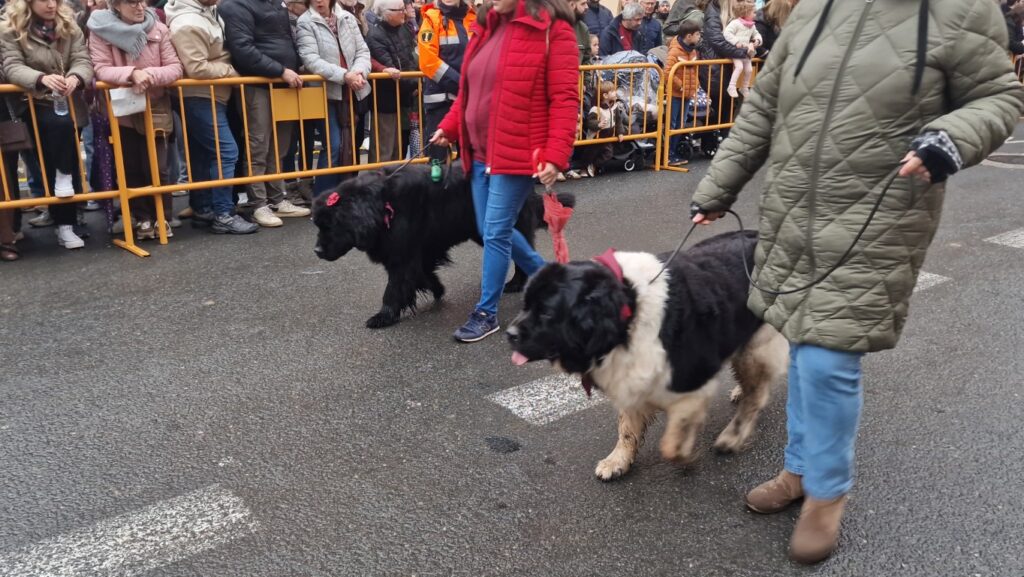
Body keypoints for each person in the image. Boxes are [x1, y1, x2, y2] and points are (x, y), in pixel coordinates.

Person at [689, 0, 1024, 564]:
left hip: (881, 214)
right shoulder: (816, 8)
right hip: (793, 213)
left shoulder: (958, 10)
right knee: (801, 342)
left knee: (828, 355)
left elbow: (999, 96)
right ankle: (799, 468)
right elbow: (764, 106)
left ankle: (827, 491)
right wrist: (717, 188)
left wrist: (950, 136)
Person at [429, 0, 578, 342]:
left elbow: (565, 97)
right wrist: (450, 128)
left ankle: (486, 313)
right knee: (489, 228)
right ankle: (553, 280)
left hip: (516, 152)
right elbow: (469, 90)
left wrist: (556, 155)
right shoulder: (488, 24)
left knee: (494, 232)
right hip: (480, 151)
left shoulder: (555, 30)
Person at [0, 0, 94, 250]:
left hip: (66, 103)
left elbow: (82, 58)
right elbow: (12, 66)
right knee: (41, 162)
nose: (51, 4)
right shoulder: (10, 28)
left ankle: (67, 225)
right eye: (44, 0)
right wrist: (41, 79)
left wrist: (76, 77)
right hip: (29, 104)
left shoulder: (69, 23)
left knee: (67, 160)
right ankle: (23, 225)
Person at [88, 0, 183, 240]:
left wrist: (148, 75)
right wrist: (131, 75)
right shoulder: (99, 29)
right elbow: (100, 68)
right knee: (131, 167)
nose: (140, 7)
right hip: (123, 106)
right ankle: (142, 219)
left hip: (155, 105)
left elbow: (175, 67)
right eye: (132, 2)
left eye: (142, 1)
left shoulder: (158, 28)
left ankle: (163, 216)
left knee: (158, 167)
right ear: (116, 6)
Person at [165, 0, 258, 234]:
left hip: (206, 94)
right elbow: (196, 68)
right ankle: (223, 214)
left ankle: (204, 208)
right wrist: (230, 71)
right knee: (226, 152)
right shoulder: (187, 22)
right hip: (201, 95)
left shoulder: (203, 11)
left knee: (202, 154)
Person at [219, 0, 311, 228]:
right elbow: (242, 49)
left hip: (282, 83)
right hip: (257, 84)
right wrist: (280, 70)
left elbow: (284, 40)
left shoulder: (275, 4)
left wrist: (292, 67)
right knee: (258, 145)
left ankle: (277, 199)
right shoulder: (235, 6)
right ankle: (258, 203)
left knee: (280, 146)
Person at [296, 0, 371, 194]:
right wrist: (345, 76)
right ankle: (323, 197)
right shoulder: (305, 22)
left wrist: (358, 73)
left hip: (351, 90)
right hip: (325, 93)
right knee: (334, 145)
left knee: (348, 145)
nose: (318, 1)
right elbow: (311, 59)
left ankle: (342, 196)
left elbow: (363, 51)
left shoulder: (347, 17)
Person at [417, 0, 474, 166]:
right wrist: (461, 83)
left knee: (469, 159)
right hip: (440, 102)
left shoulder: (473, 19)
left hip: (468, 99)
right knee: (437, 162)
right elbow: (428, 61)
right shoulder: (431, 19)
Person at [366, 0, 417, 163]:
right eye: (399, 10)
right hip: (386, 101)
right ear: (386, 14)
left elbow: (410, 59)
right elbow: (390, 66)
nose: (404, 12)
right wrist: (415, 84)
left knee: (397, 149)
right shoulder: (375, 35)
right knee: (384, 150)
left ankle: (394, 186)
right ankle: (379, 185)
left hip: (404, 98)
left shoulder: (403, 29)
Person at [665, 18, 699, 165]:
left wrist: (695, 85)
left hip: (687, 94)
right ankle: (667, 154)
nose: (699, 37)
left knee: (680, 124)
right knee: (672, 124)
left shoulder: (692, 51)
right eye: (697, 34)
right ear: (689, 36)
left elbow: (694, 70)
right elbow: (667, 73)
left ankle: (673, 153)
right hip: (676, 94)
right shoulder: (675, 51)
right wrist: (681, 86)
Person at [722, 0, 759, 97]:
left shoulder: (752, 25)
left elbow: (757, 34)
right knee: (739, 67)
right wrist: (736, 42)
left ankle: (744, 87)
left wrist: (758, 40)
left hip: (746, 52)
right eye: (753, 12)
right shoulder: (735, 23)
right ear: (746, 12)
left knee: (749, 70)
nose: (755, 14)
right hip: (736, 51)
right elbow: (727, 33)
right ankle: (731, 86)